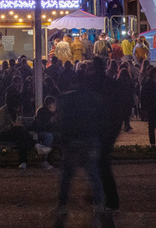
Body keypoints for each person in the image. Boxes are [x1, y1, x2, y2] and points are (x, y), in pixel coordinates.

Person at [52, 71, 105, 228]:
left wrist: (64, 139)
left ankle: (62, 205)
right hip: (89, 138)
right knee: (93, 173)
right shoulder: (94, 98)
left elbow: (62, 120)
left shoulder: (67, 98)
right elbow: (101, 120)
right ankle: (100, 204)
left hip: (73, 141)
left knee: (67, 175)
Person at [0, 99, 38, 168]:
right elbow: (0, 126)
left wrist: (18, 125)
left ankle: (23, 161)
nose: (19, 109)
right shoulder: (3, 111)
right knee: (21, 134)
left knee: (21, 136)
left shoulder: (15, 112)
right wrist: (13, 125)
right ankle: (34, 145)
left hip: (13, 133)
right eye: (18, 107)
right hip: (1, 134)